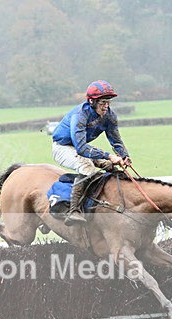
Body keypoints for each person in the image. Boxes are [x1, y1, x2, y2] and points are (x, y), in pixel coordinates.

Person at [51, 80, 132, 225]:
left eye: (108, 102)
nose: (106, 107)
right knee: (87, 167)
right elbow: (81, 148)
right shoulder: (80, 115)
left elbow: (115, 139)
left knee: (112, 168)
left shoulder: (110, 116)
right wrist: (109, 155)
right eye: (102, 103)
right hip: (62, 147)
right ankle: (73, 211)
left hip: (80, 148)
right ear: (91, 102)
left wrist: (124, 156)